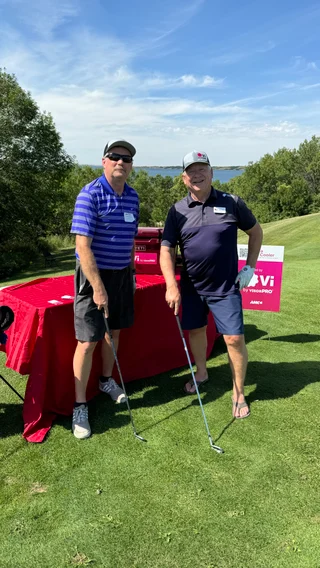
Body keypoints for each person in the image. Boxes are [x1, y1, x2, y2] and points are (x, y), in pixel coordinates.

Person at [160, 150, 263, 419]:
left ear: (211, 173)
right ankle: (202, 373)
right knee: (196, 331)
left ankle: (238, 393)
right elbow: (166, 248)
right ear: (184, 178)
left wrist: (250, 267)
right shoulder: (177, 211)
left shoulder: (232, 202)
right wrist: (171, 283)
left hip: (225, 286)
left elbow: (256, 231)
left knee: (234, 338)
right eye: (191, 171)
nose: (197, 174)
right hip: (192, 286)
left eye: (202, 169)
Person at [70, 139, 139, 439]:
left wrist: (132, 274)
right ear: (104, 161)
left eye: (127, 158)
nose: (121, 162)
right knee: (88, 341)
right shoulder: (90, 195)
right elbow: (82, 247)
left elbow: (130, 239)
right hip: (92, 276)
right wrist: (98, 287)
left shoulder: (133, 197)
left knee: (116, 332)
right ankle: (79, 405)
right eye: (115, 157)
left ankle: (106, 380)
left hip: (122, 274)